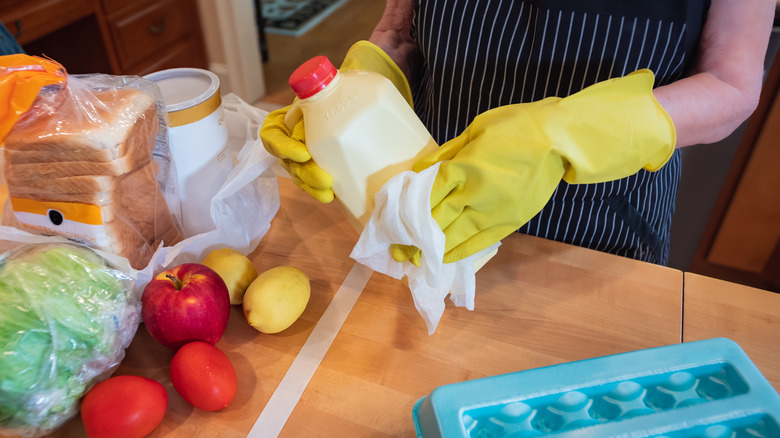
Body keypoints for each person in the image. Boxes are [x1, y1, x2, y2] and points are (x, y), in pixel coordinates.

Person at [261, 0, 775, 266]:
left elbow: (731, 85)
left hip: (600, 230)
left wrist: (561, 137)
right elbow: (399, 28)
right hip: (435, 211)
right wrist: (348, 94)